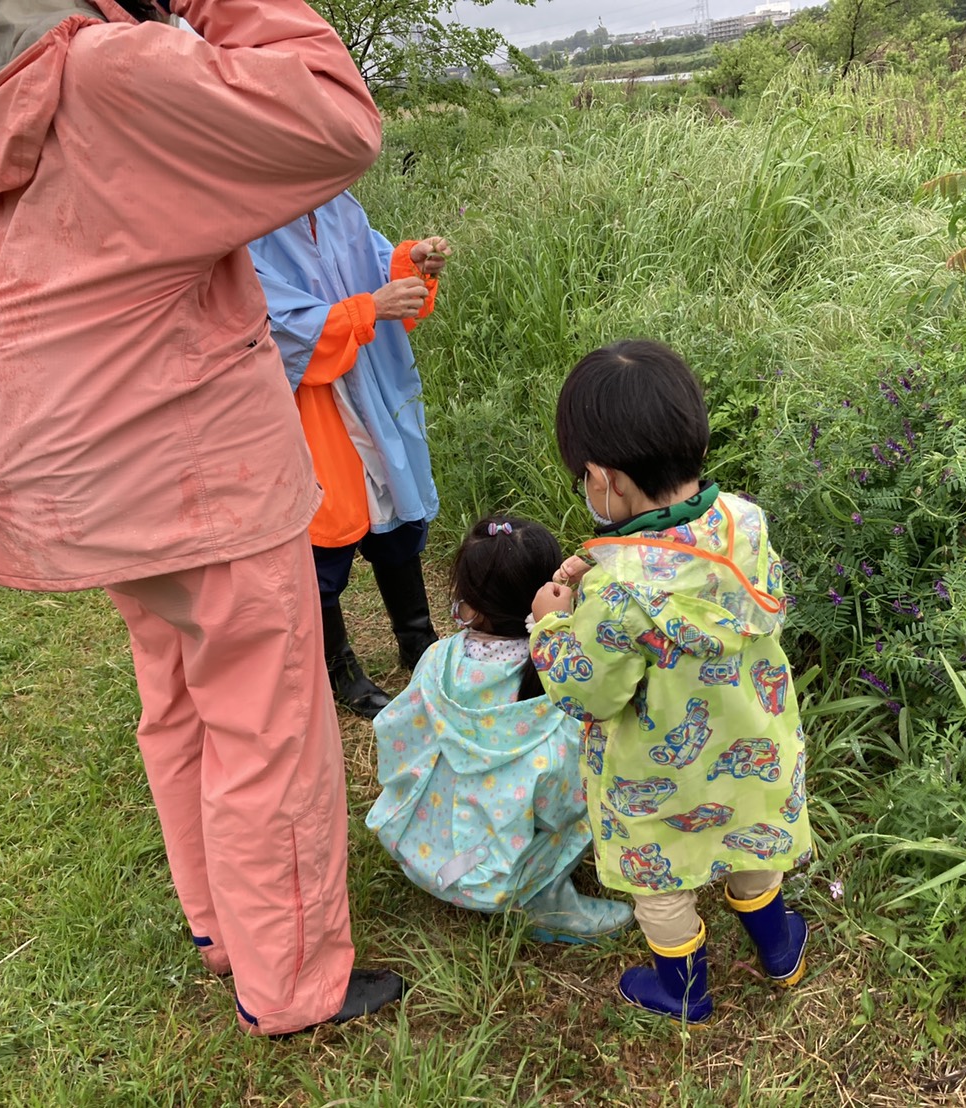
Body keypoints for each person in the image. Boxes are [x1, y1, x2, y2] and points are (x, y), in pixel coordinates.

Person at [0, 0, 403, 1036]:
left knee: (179, 697)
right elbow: (335, 118)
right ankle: (292, 984)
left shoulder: (5, 82)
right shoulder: (116, 69)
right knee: (266, 723)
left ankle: (221, 927)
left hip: (99, 477)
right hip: (193, 470)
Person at [528, 340, 812, 1022]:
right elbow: (713, 586)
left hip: (658, 782)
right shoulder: (745, 521)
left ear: (605, 480)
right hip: (751, 748)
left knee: (661, 880)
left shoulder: (620, 591)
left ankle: (682, 989)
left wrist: (551, 626)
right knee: (750, 842)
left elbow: (586, 692)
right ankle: (780, 951)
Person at [365, 516, 634, 942]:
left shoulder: (438, 660)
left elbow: (400, 744)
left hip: (420, 854)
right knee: (604, 780)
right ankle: (546, 903)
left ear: (467, 605)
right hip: (498, 876)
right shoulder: (558, 681)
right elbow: (563, 801)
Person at [247, 193, 446, 718]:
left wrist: (412, 264)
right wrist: (368, 309)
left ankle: (417, 643)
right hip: (311, 404)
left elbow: (376, 265)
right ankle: (338, 667)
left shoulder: (340, 206)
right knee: (323, 536)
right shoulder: (249, 225)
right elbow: (276, 324)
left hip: (373, 388)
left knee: (396, 519)